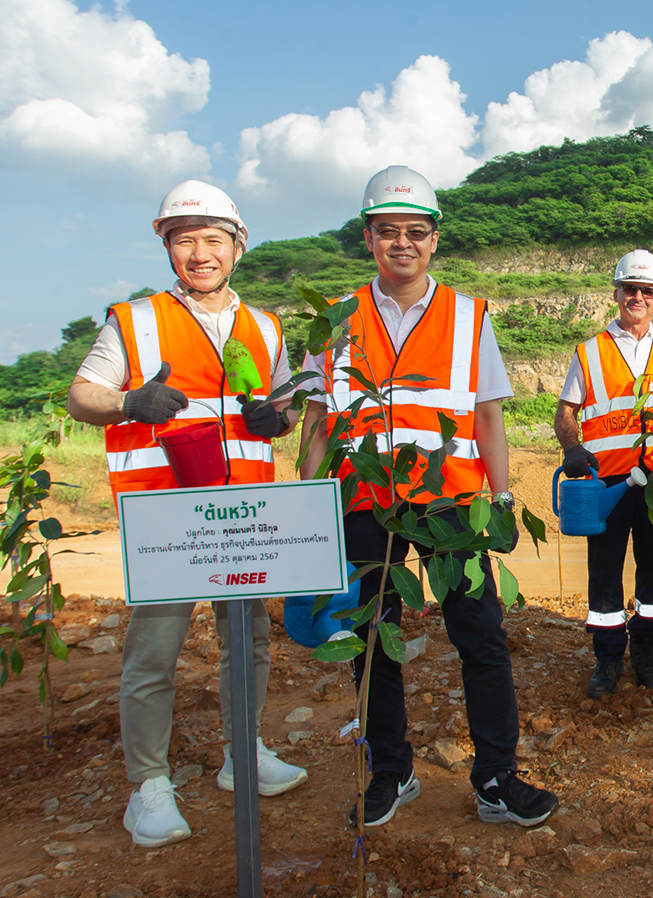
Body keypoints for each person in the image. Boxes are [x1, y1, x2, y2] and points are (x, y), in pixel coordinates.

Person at [298, 165, 557, 828]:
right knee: (372, 634)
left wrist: (501, 499)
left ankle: (497, 776)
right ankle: (392, 770)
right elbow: (319, 423)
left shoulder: (470, 318)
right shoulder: (336, 320)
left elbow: (489, 416)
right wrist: (307, 507)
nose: (403, 243)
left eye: (416, 231)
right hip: (364, 503)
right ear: (368, 238)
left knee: (481, 635)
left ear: (435, 239)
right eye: (389, 231)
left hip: (451, 502)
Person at [67, 181, 306, 847]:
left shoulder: (264, 326)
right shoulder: (136, 321)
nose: (199, 253)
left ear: (237, 246)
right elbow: (81, 394)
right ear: (167, 246)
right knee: (156, 650)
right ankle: (148, 786)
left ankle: (244, 753)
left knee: (249, 640)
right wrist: (129, 402)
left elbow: (282, 408)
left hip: (244, 512)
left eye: (212, 239)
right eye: (184, 239)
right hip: (168, 518)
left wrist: (276, 419)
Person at [555, 249, 653, 698]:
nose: (637, 297)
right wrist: (572, 447)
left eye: (647, 291)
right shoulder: (589, 351)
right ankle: (608, 656)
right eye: (630, 289)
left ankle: (646, 652)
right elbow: (565, 412)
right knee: (604, 569)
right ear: (616, 293)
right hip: (609, 482)